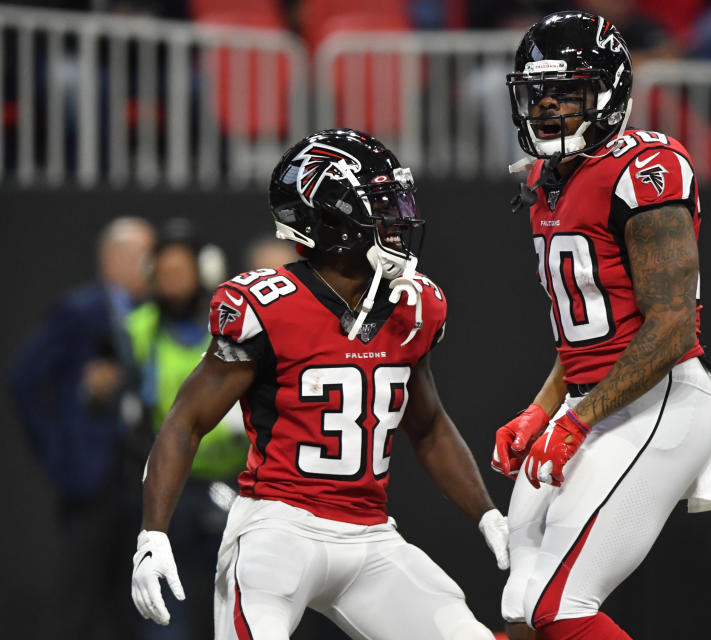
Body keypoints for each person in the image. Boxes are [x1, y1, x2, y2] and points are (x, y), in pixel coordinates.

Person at [130, 129, 509, 640]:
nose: (398, 219)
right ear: (331, 217)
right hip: (277, 528)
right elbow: (185, 422)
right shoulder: (266, 305)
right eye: (380, 205)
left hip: (372, 535)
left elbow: (430, 427)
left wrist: (487, 515)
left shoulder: (411, 306)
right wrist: (152, 535)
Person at [492, 12, 711, 640]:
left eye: (566, 92)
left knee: (559, 606)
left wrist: (577, 419)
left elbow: (672, 325)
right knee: (519, 610)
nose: (546, 107)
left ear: (608, 95)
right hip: (593, 399)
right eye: (536, 93)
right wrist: (542, 409)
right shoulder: (545, 181)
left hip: (660, 399)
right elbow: (586, 333)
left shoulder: (644, 170)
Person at [10, 216, 155, 639]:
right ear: (115, 258)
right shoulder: (80, 309)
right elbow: (26, 379)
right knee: (82, 591)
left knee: (131, 594)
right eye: (146, 257)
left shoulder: (152, 313)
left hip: (138, 473)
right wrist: (61, 448)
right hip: (90, 474)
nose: (154, 267)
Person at [126, 220, 248, 639]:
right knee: (164, 603)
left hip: (232, 480)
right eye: (164, 272)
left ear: (204, 271)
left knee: (239, 596)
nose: (172, 280)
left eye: (181, 270)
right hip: (170, 483)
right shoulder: (138, 327)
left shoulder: (230, 323)